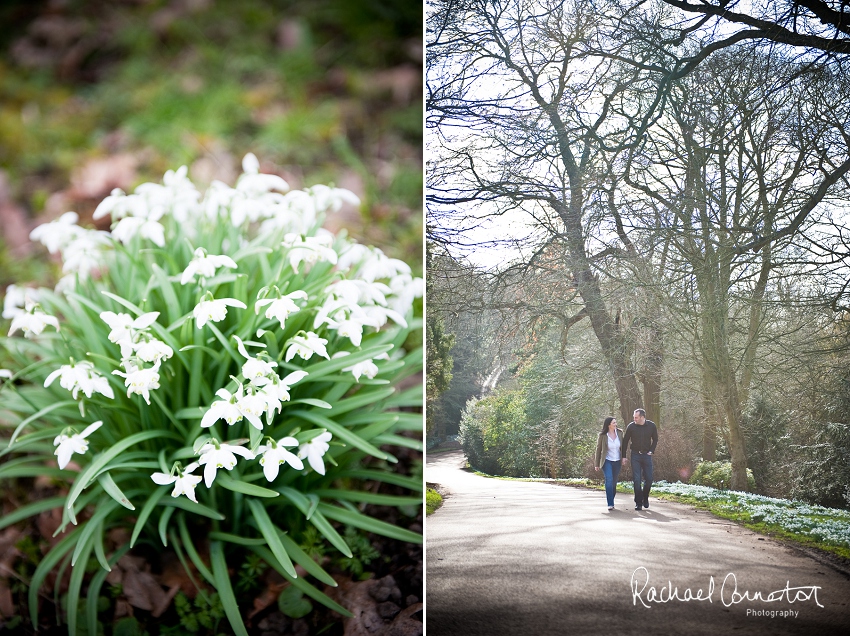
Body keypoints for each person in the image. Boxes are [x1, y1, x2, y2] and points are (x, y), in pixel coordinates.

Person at [622, 408, 658, 511]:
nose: (634, 419)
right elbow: (625, 442)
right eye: (634, 417)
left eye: (636, 417)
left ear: (642, 417)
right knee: (637, 479)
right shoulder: (631, 426)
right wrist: (624, 456)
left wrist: (651, 450)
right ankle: (638, 502)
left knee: (649, 479)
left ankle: (645, 497)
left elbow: (655, 439)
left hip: (647, 455)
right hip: (635, 456)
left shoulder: (651, 426)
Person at [594, 416, 625, 510]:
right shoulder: (603, 435)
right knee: (609, 479)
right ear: (608, 425)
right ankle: (610, 503)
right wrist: (596, 464)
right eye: (614, 423)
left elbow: (623, 447)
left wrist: (624, 457)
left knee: (614, 482)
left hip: (617, 461)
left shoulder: (620, 433)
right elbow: (598, 449)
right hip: (606, 460)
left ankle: (611, 498)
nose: (616, 424)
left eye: (616, 422)